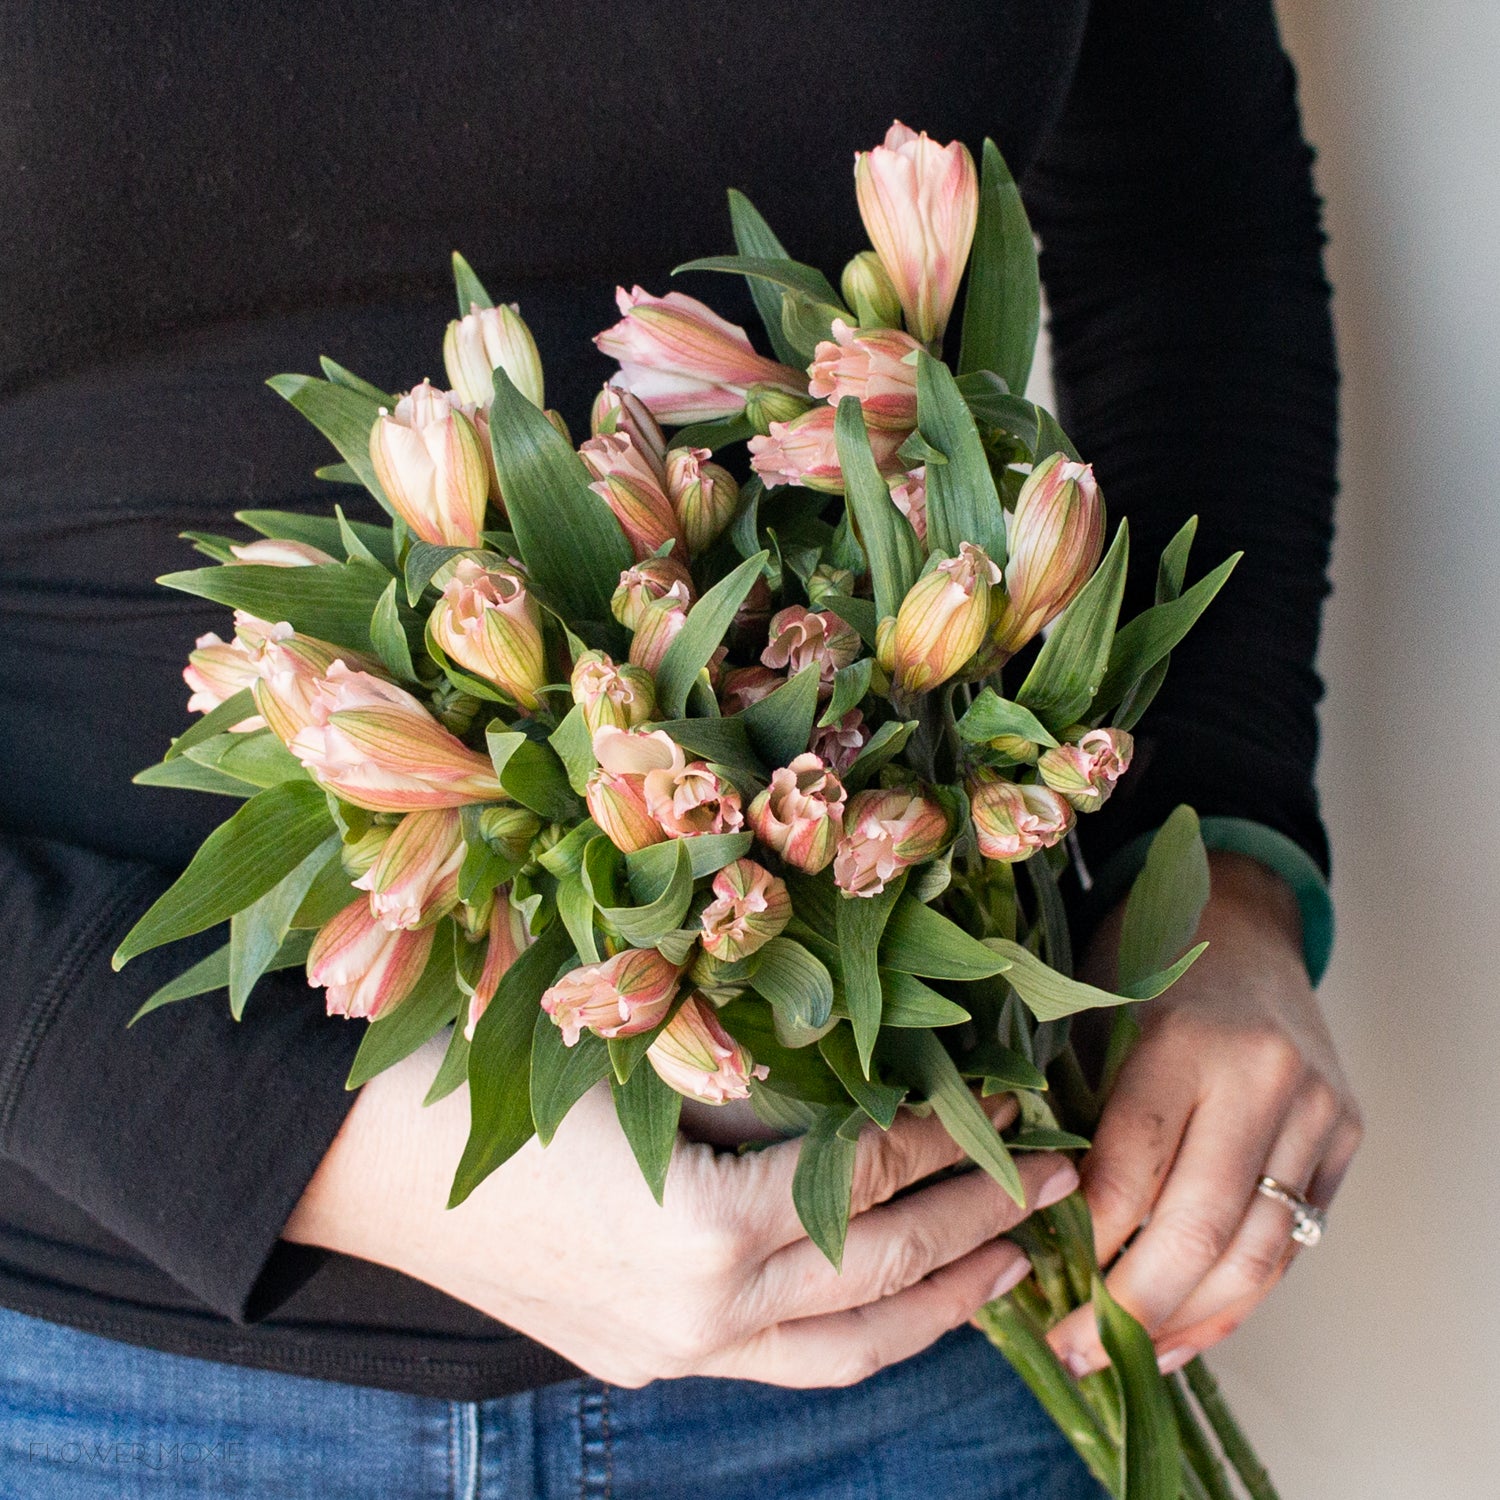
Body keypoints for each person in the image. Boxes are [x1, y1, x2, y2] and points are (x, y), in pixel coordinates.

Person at [0, 0, 1361, 1495]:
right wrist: (309, 1155)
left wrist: (1221, 877)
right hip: (95, 1371)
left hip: (922, 1300)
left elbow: (1189, 228)